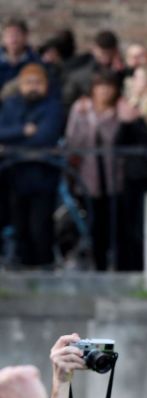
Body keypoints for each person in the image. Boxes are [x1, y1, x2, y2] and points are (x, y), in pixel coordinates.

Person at [0, 63, 64, 270]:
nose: (33, 87)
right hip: (15, 175)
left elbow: (46, 137)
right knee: (20, 228)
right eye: (28, 82)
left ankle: (44, 268)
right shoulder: (11, 105)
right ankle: (23, 269)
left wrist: (12, 144)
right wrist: (22, 130)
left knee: (40, 228)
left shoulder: (53, 106)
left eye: (38, 82)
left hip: (42, 176)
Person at [65, 67, 124, 271]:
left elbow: (114, 138)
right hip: (86, 176)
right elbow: (73, 141)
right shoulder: (80, 109)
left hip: (114, 176)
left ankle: (112, 263)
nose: (105, 92)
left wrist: (109, 117)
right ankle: (95, 263)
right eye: (101, 87)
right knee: (92, 222)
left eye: (109, 87)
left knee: (113, 223)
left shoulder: (119, 110)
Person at [115, 63, 147, 271]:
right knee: (128, 224)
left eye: (139, 78)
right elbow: (119, 143)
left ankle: (142, 267)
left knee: (141, 225)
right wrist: (126, 119)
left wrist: (135, 117)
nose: (134, 83)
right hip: (130, 176)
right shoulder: (130, 108)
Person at [0, 17, 38, 90]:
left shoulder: (36, 63)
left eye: (17, 34)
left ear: (25, 36)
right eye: (9, 34)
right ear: (3, 38)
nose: (13, 38)